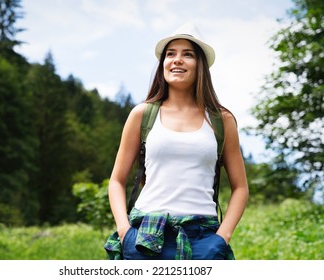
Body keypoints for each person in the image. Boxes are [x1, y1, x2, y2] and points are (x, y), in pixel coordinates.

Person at [104, 22, 249, 260]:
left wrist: (222, 238)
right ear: (163, 64)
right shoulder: (142, 114)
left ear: (200, 65)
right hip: (144, 237)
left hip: (203, 237)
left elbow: (241, 188)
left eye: (187, 54)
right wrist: (124, 231)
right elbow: (117, 181)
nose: (177, 60)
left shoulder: (222, 120)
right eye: (170, 54)